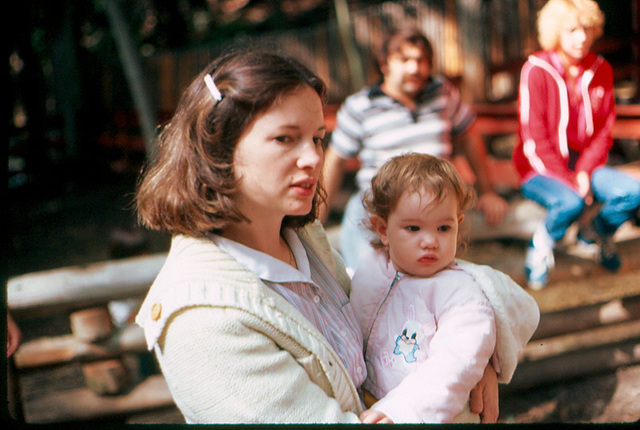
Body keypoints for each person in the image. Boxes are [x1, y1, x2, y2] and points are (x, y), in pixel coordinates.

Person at [134, 47, 520, 424]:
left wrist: (464, 358)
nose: (314, 158)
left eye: (318, 138)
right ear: (219, 146)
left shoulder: (304, 245)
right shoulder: (203, 318)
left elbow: (395, 313)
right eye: (286, 138)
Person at [350, 153, 539, 423]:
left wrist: (401, 410)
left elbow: (453, 364)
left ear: (458, 226)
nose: (430, 241)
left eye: (443, 228)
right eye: (413, 228)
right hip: (374, 405)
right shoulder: (370, 269)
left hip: (434, 414)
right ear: (382, 229)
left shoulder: (462, 296)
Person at [322, 27, 509, 271]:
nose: (415, 68)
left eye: (421, 60)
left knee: (435, 274)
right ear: (384, 63)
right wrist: (315, 221)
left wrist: (487, 192)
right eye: (405, 60)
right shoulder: (361, 105)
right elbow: (334, 162)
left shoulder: (442, 93)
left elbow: (470, 138)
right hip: (378, 201)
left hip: (435, 201)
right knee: (364, 272)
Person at [512, 0, 640, 289]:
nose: (581, 37)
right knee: (570, 202)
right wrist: (570, 181)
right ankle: (541, 245)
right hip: (539, 168)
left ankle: (595, 233)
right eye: (571, 30)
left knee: (633, 193)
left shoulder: (600, 69)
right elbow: (535, 139)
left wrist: (583, 172)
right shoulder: (536, 70)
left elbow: (603, 132)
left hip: (585, 167)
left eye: (587, 28)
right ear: (556, 31)